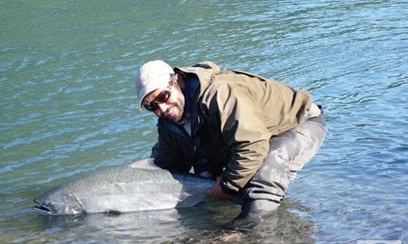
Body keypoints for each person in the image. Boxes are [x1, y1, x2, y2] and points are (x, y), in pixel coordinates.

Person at [134, 60, 327, 220]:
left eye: (164, 96)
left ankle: (249, 236)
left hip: (297, 123)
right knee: (206, 179)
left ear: (179, 81)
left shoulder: (219, 94)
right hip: (246, 139)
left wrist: (227, 186)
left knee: (263, 175)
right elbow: (163, 168)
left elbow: (253, 145)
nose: (162, 108)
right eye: (152, 106)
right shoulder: (169, 126)